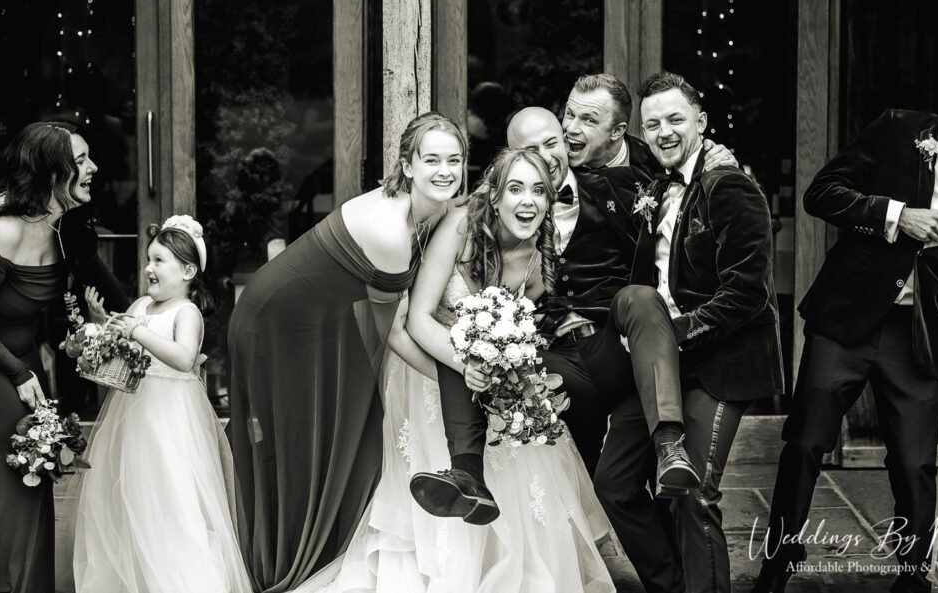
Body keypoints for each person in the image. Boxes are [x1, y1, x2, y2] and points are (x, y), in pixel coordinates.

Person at [413, 104, 736, 593]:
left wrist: (712, 158)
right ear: (497, 184)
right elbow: (422, 317)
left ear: (565, 148)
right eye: (520, 179)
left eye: (543, 176)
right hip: (495, 359)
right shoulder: (465, 224)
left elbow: (667, 175)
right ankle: (467, 476)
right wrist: (488, 359)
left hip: (607, 349)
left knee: (624, 320)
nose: (533, 190)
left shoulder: (608, 192)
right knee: (598, 472)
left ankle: (668, 449)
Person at [752, 54, 938, 593]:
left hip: (919, 333)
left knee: (916, 462)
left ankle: (914, 573)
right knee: (806, 442)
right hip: (847, 316)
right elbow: (822, 194)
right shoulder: (899, 128)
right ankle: (779, 562)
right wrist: (900, 217)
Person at [290, 148, 614, 592]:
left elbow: (519, 333)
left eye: (539, 191)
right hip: (429, 366)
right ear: (494, 196)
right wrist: (468, 365)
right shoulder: (460, 227)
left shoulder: (540, 262)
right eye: (516, 188)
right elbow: (418, 317)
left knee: (525, 467)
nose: (529, 201)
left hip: (485, 382)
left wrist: (509, 370)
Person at [229, 112, 467, 592]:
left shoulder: (437, 208)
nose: (445, 171)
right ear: (407, 165)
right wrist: (458, 379)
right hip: (274, 324)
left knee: (342, 435)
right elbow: (394, 336)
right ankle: (284, 563)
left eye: (455, 160)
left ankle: (326, 541)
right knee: (297, 446)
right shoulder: (391, 232)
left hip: (325, 317)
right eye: (432, 160)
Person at [609, 71, 784, 593]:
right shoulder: (658, 185)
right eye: (653, 123)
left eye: (675, 120)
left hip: (721, 362)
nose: (663, 132)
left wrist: (671, 336)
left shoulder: (730, 186)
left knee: (693, 493)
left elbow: (748, 292)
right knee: (615, 486)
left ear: (701, 123)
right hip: (662, 362)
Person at [71, 216, 250, 591]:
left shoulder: (186, 313)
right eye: (148, 260)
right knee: (132, 500)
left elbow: (184, 358)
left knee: (173, 500)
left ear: (187, 270)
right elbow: (122, 354)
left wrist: (136, 330)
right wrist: (101, 325)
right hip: (134, 421)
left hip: (171, 422)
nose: (148, 268)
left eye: (159, 261)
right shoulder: (139, 306)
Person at [0, 121, 98, 593]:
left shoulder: (60, 233)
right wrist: (18, 372)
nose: (92, 168)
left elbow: (53, 315)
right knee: (13, 495)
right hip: (5, 371)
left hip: (29, 375)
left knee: (35, 486)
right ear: (50, 173)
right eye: (79, 161)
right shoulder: (5, 232)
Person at [562, 73, 660, 177]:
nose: (571, 128)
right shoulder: (551, 164)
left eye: (589, 120)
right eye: (570, 114)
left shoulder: (656, 166)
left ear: (616, 131)